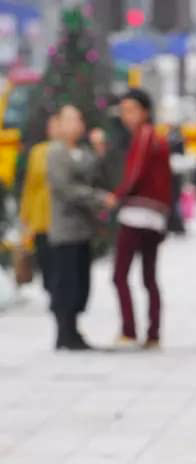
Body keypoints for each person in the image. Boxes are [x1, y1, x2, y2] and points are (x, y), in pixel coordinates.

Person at [46, 104, 115, 350]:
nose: (76, 125)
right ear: (60, 124)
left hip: (83, 229)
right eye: (71, 120)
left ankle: (73, 331)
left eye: (79, 120)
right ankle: (65, 332)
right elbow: (65, 189)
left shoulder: (84, 152)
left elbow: (96, 175)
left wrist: (98, 152)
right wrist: (98, 198)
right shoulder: (55, 152)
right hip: (64, 230)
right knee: (66, 283)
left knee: (81, 283)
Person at [111, 88, 173, 350]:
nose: (127, 116)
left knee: (120, 275)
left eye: (131, 110)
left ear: (145, 112)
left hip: (138, 213)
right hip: (156, 216)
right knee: (149, 277)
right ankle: (153, 335)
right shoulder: (156, 137)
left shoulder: (145, 135)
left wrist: (117, 195)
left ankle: (128, 331)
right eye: (124, 111)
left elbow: (135, 171)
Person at [19, 114, 60, 293]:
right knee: (44, 256)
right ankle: (51, 290)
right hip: (40, 215)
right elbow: (30, 185)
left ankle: (59, 293)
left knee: (59, 258)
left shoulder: (68, 150)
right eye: (51, 126)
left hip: (61, 217)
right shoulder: (38, 151)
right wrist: (25, 215)